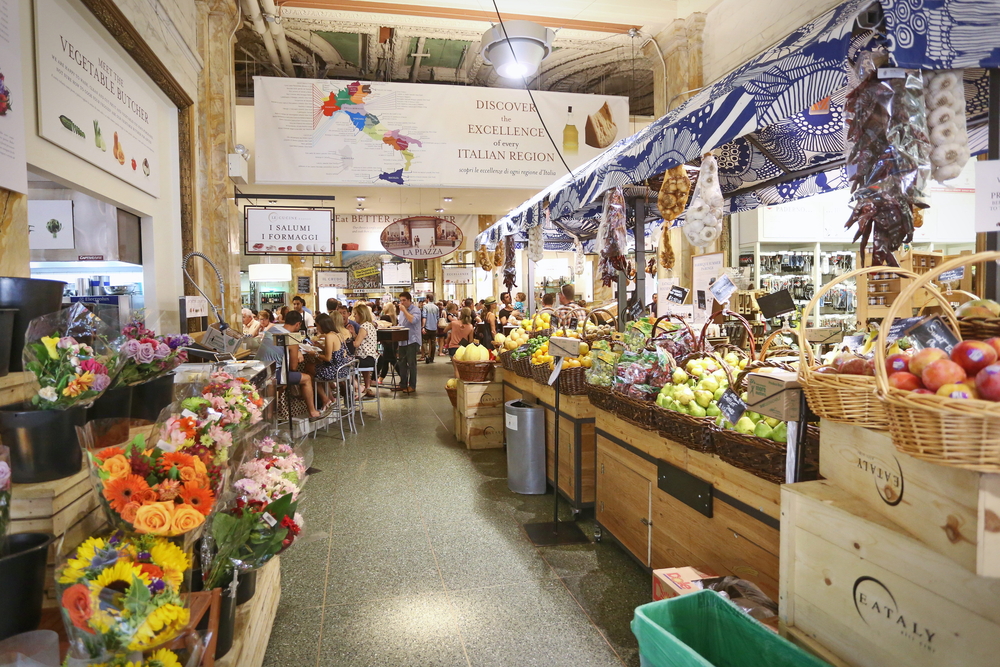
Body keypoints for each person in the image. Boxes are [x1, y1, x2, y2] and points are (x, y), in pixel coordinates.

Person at [255, 310, 323, 420]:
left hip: (258, 371)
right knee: (306, 379)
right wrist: (297, 352)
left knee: (284, 381)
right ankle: (313, 412)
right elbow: (293, 367)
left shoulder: (272, 329)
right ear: (298, 324)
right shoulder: (292, 338)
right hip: (272, 374)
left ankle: (273, 413)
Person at [313, 312, 354, 410]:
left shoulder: (328, 336)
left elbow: (328, 358)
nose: (317, 328)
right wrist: (320, 346)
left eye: (317, 326)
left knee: (310, 372)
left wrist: (314, 353)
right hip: (343, 369)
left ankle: (326, 399)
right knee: (315, 369)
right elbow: (335, 350)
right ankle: (330, 397)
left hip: (334, 371)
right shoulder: (338, 334)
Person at [395, 291, 421, 393]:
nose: (402, 302)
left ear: (409, 300)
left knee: (411, 364)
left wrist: (405, 311)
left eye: (404, 300)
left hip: (412, 340)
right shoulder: (401, 311)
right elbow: (401, 323)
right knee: (402, 363)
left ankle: (412, 385)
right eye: (401, 300)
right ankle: (403, 383)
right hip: (402, 340)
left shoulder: (416, 310)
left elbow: (412, 320)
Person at [352, 303, 378, 397]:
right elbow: (363, 340)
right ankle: (367, 387)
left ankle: (358, 386)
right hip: (371, 358)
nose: (354, 316)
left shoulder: (363, 327)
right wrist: (354, 334)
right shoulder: (370, 325)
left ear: (361, 315)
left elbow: (356, 344)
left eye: (355, 314)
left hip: (364, 358)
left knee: (345, 366)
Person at [377, 302, 398, 383]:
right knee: (386, 360)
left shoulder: (384, 317)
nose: (383, 307)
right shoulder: (395, 318)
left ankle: (404, 377)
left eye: (384, 306)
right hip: (393, 341)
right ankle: (380, 378)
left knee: (392, 360)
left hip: (386, 341)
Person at [421, 294, 439, 363]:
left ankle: (426, 355)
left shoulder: (425, 307)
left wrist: (423, 326)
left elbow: (424, 317)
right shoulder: (436, 307)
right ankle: (432, 357)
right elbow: (437, 318)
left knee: (424, 341)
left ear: (427, 299)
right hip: (434, 327)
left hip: (427, 327)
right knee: (433, 343)